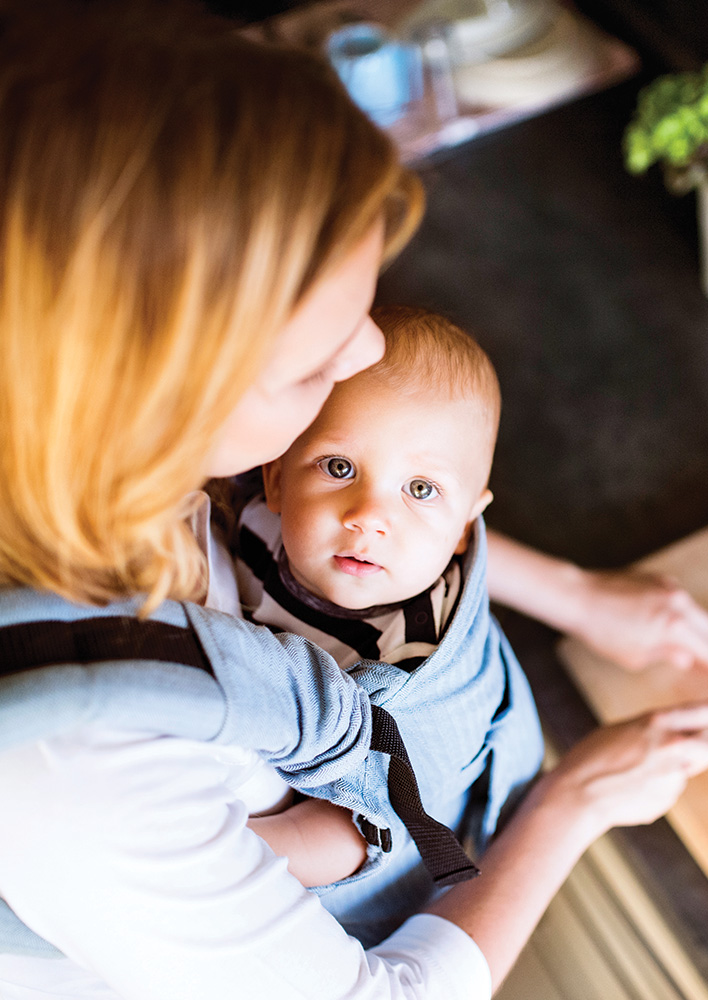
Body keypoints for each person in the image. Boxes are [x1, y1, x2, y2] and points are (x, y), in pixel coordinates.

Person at [0, 4, 708, 999]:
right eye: (313, 367)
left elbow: (354, 512)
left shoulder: (89, 447)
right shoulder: (78, 772)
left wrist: (575, 591)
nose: (363, 358)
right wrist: (576, 798)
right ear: (154, 403)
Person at [235, 306, 544, 943]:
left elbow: (360, 827)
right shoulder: (246, 522)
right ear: (274, 475)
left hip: (327, 859)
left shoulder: (408, 660)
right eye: (339, 467)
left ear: (464, 526)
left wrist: (232, 850)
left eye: (421, 490)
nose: (369, 516)